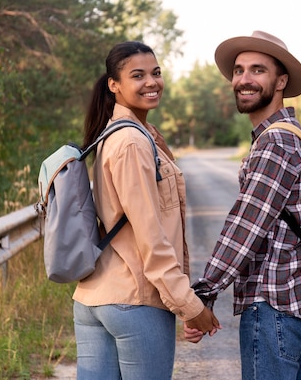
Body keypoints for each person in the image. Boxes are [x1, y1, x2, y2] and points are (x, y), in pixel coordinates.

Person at [73, 41, 220, 380]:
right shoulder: (132, 142)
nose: (151, 82)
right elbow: (151, 238)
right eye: (137, 75)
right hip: (135, 301)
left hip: (93, 299)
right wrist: (189, 306)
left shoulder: (117, 135)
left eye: (155, 73)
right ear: (115, 85)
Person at [189, 31, 301, 380]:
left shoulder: (275, 142)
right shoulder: (293, 134)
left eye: (257, 70)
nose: (244, 80)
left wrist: (202, 295)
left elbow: (245, 229)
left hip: (274, 305)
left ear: (281, 81)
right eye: (238, 71)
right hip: (297, 304)